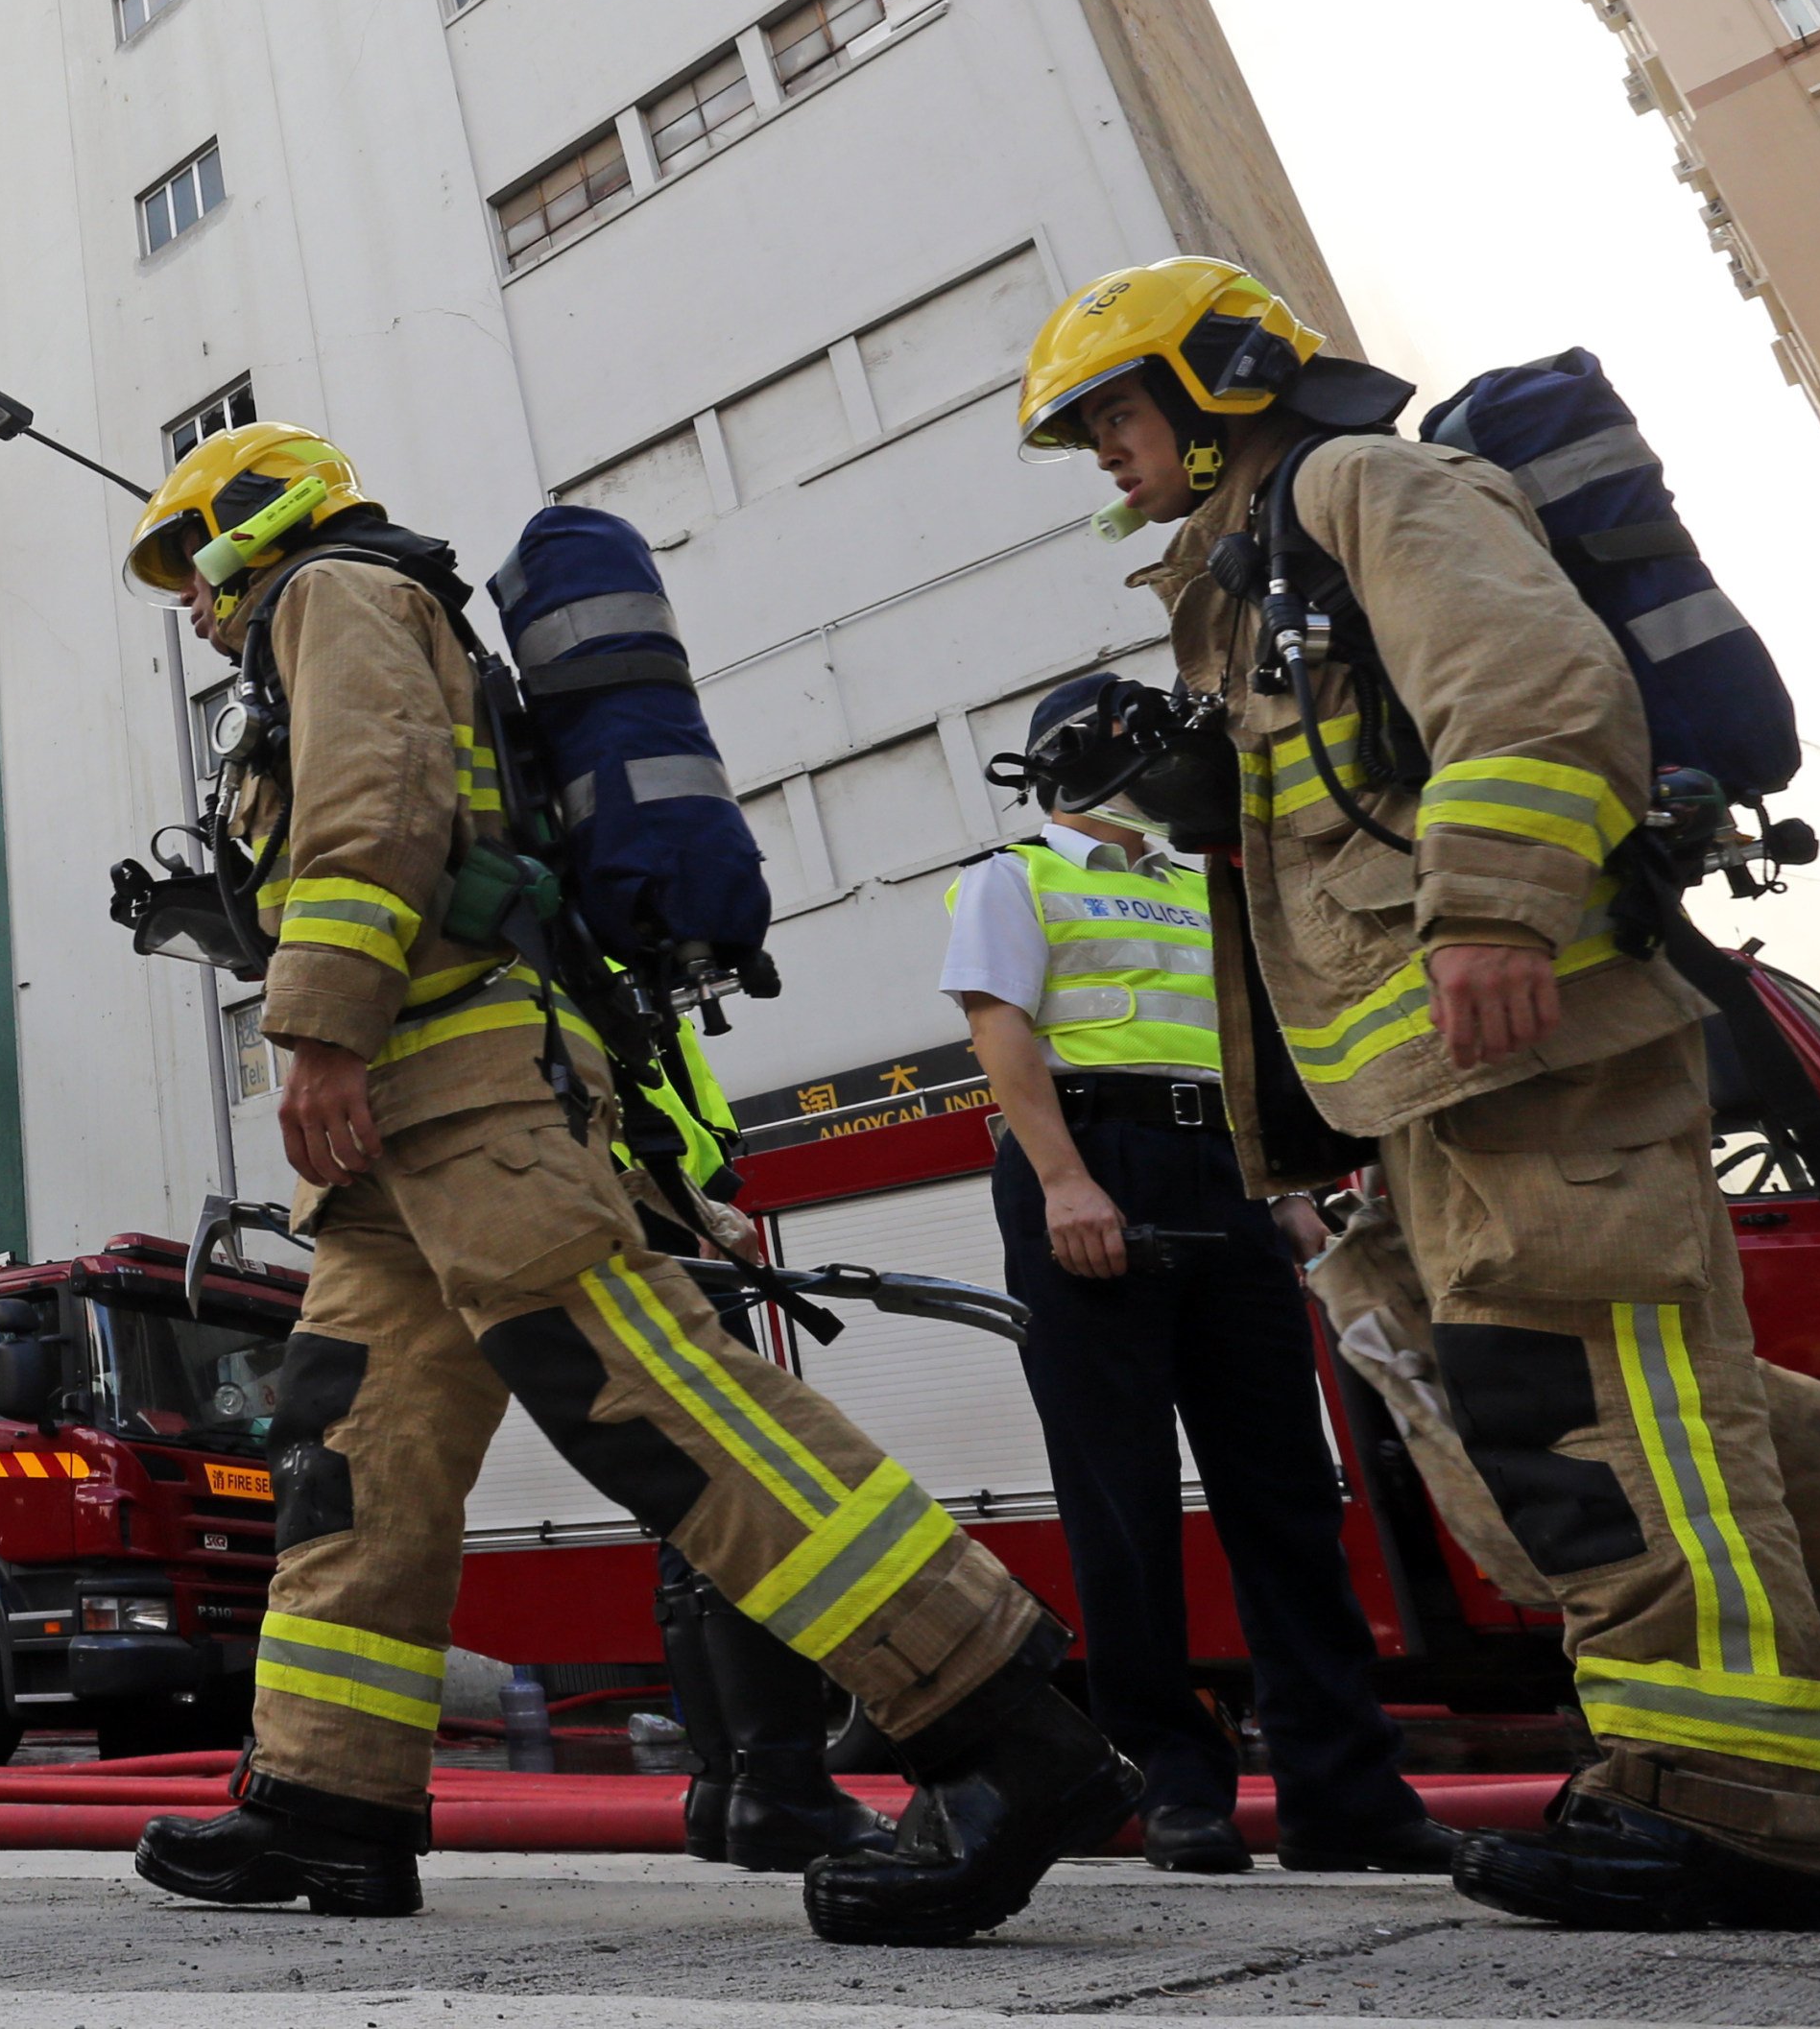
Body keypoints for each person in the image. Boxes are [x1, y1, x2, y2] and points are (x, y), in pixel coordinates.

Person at [116, 420, 1138, 1946]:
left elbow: (376, 807)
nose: (190, 608)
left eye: (188, 567)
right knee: (354, 1449)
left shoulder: (330, 589)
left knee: (650, 1401)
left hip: (458, 1091)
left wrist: (316, 1023)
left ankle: (1002, 1728)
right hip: (395, 1141)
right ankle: (328, 1796)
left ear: (245, 524)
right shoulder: (312, 630)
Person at [1020, 254, 1820, 1933]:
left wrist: (1499, 901)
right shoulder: (1253, 576)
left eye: (1116, 414)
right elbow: (1336, 827)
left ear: (1220, 380)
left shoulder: (1366, 482)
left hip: (1533, 1028)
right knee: (1649, 1399)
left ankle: (1734, 1802)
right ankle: (1738, 1742)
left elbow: (1528, 687)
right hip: (1436, 1082)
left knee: (1599, 1402)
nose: (1103, 455)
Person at [941, 680, 1454, 1877]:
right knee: (1121, 1501)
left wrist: (1282, 1194)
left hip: (1224, 1173)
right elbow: (999, 1031)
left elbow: (1240, 1043)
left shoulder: (1199, 882)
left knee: (1285, 1492)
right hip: (1091, 1166)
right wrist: (1067, 1184)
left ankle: (1345, 1794)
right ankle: (1171, 1782)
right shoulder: (1016, 873)